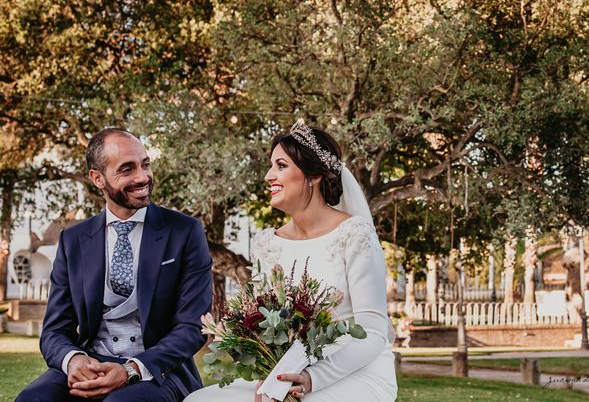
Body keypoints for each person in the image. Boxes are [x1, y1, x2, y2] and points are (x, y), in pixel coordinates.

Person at [186, 120, 397, 402]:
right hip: (287, 373)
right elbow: (266, 326)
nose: (268, 176)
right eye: (271, 165)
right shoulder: (266, 244)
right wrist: (271, 373)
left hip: (356, 372)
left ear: (314, 176)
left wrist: (312, 378)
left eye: (281, 166)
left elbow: (373, 333)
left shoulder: (354, 235)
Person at [17, 128, 212, 402]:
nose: (142, 177)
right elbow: (54, 329)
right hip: (92, 363)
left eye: (145, 164)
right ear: (97, 178)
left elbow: (193, 326)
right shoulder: (73, 240)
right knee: (34, 398)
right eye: (127, 169)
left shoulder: (185, 231)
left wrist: (131, 369)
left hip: (160, 371)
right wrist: (73, 361)